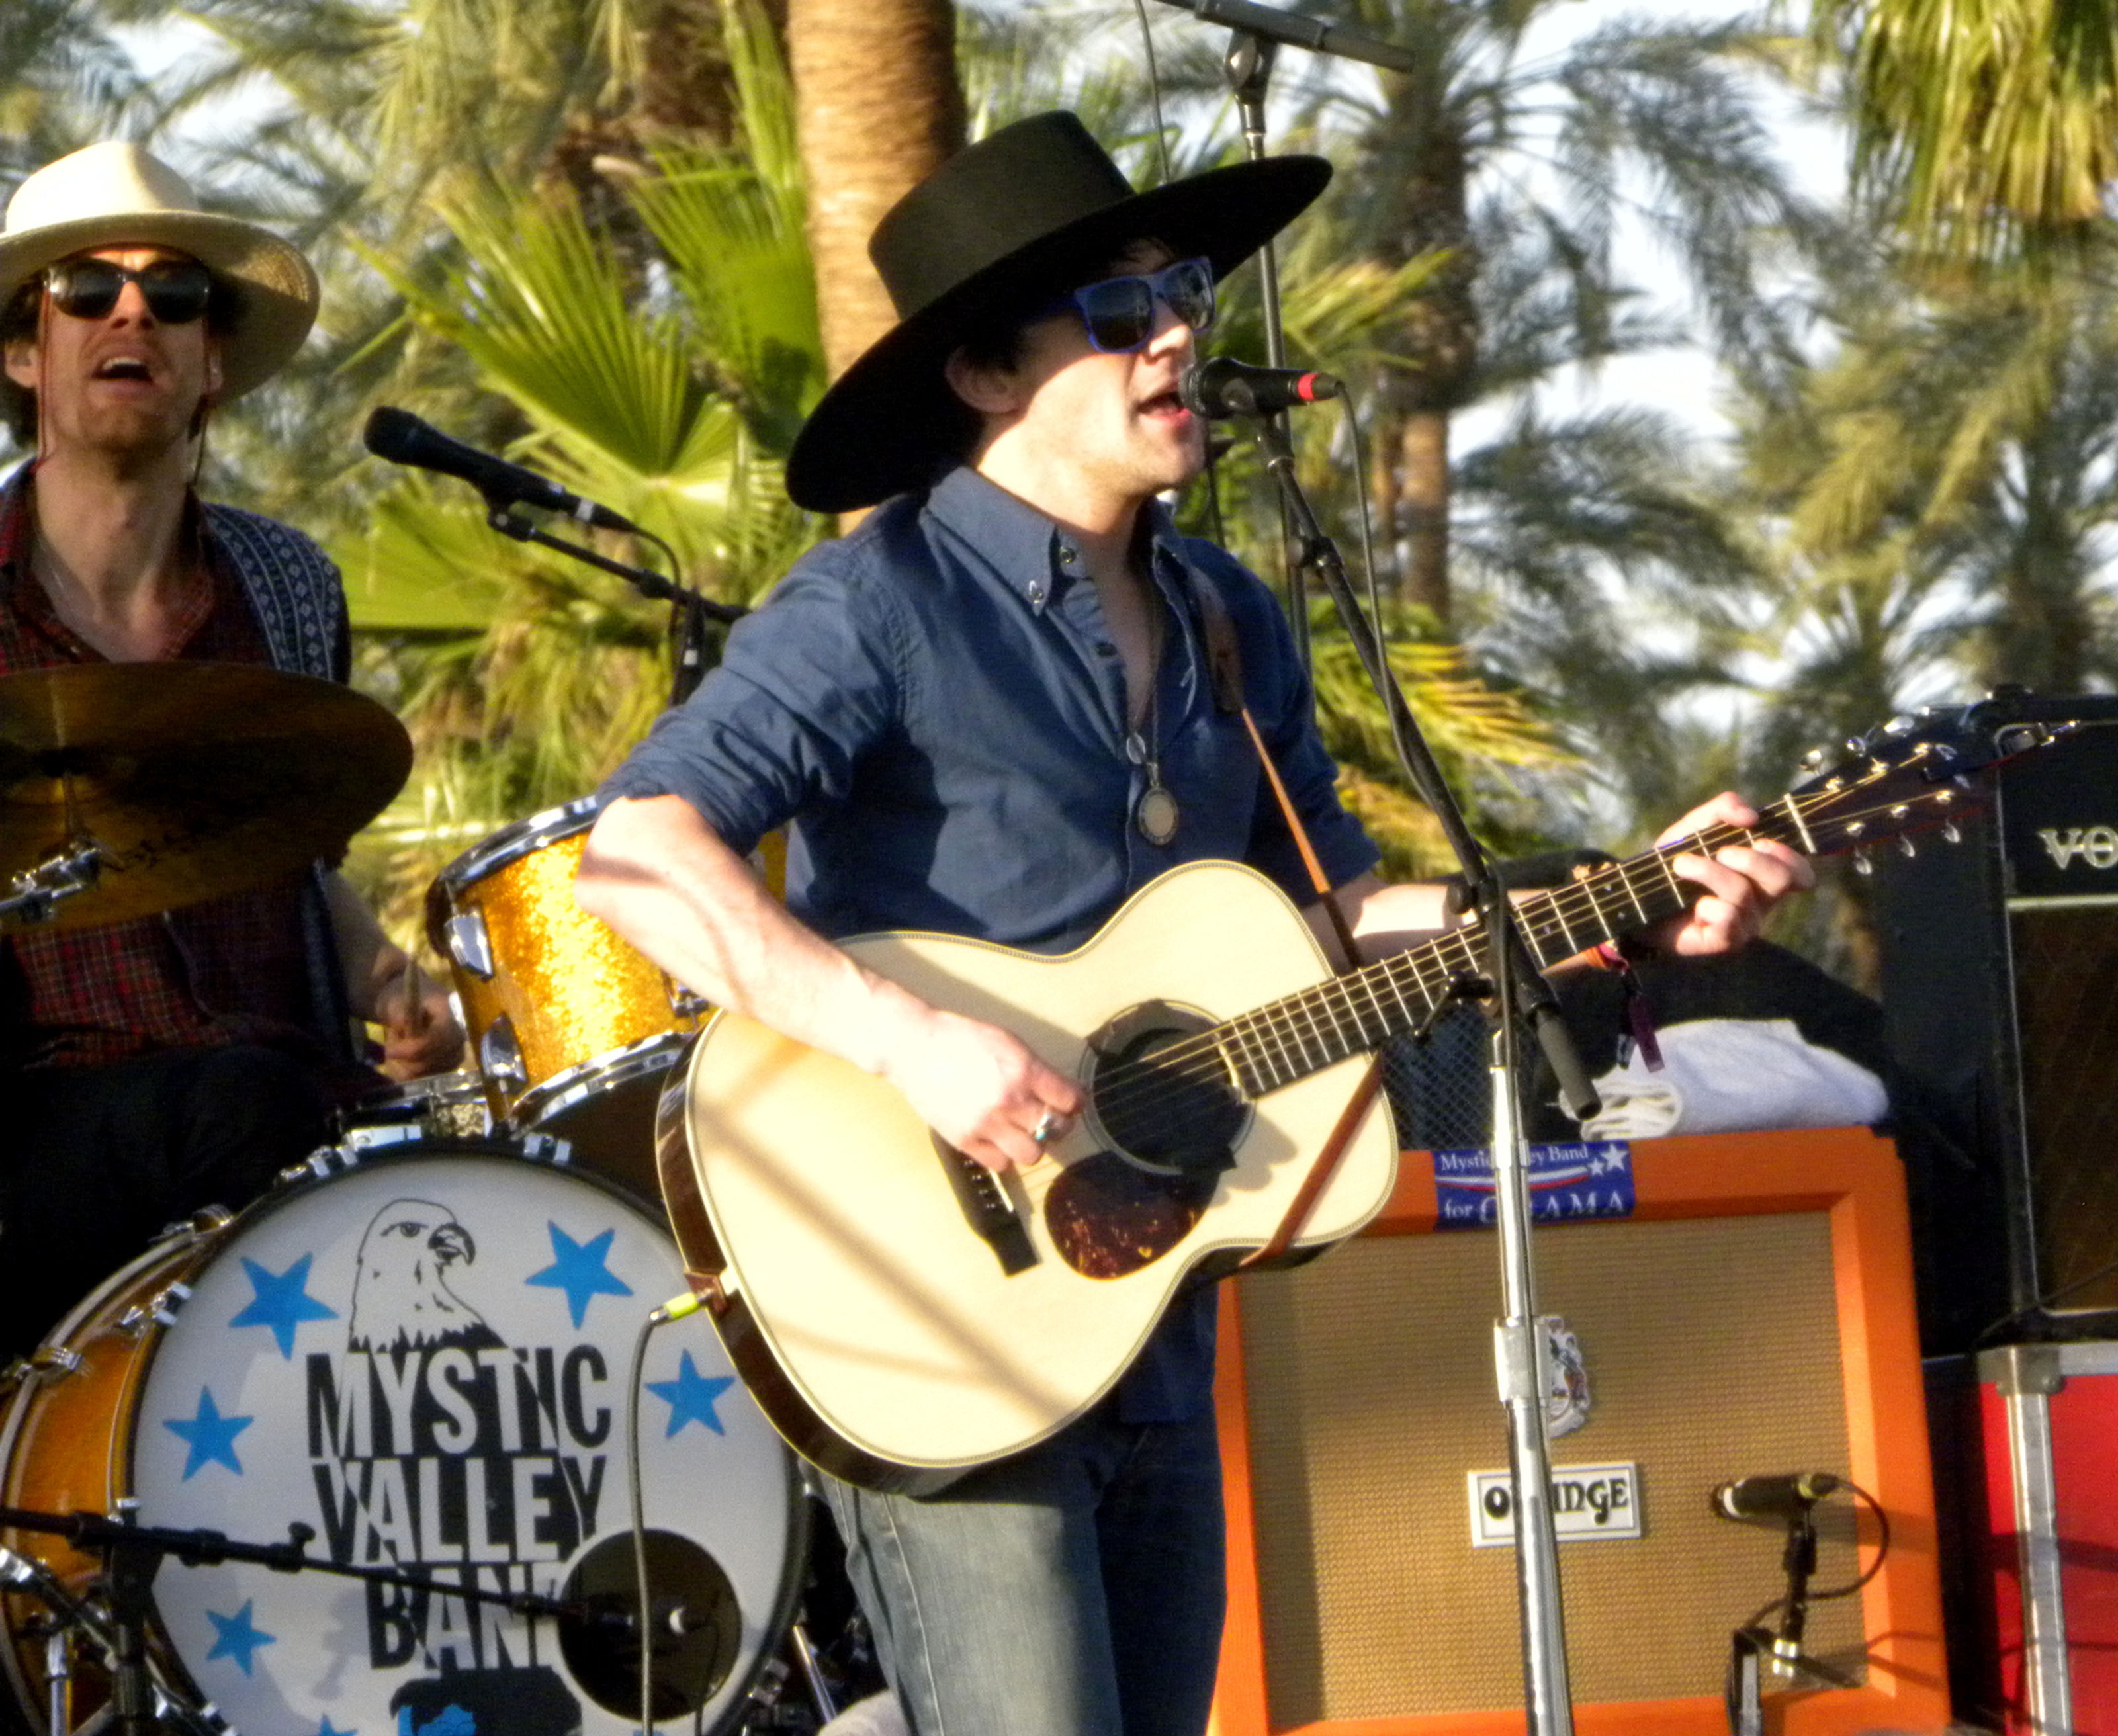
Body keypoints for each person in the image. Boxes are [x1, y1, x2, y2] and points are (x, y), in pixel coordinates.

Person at [575, 112, 1813, 1736]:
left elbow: (1342, 921)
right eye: (1116, 313)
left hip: (1153, 1329)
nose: (1176, 336)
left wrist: (1609, 909)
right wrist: (917, 1042)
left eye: (1185, 296)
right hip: (933, 1320)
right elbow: (637, 856)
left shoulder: (1228, 612)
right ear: (981, 375)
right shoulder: (876, 608)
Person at [0, 142, 464, 1354]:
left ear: (210, 362)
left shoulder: (285, 585)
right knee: (241, 1105)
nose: (136, 313)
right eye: (89, 290)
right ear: (23, 351)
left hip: (284, 1089)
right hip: (35, 1124)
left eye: (178, 294)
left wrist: (395, 986)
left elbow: (296, 856)